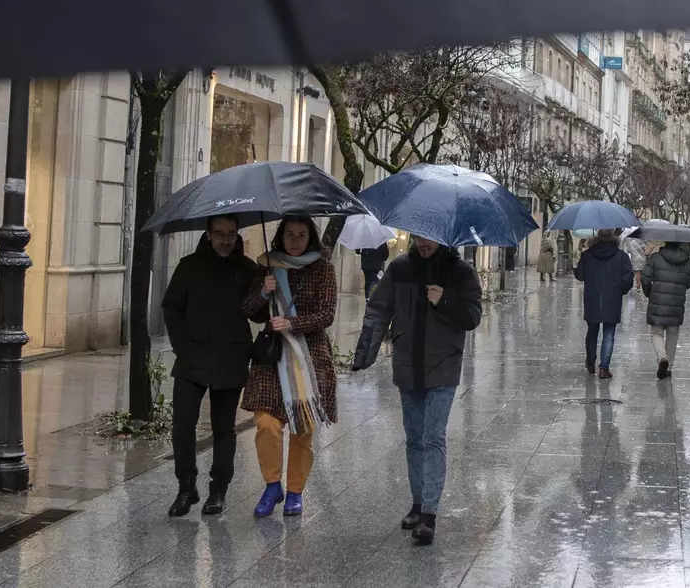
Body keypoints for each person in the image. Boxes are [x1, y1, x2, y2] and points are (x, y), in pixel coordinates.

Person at [352, 236, 483, 546]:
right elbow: (378, 310)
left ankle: (429, 515)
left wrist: (445, 300)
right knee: (413, 438)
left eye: (430, 239)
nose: (424, 244)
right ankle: (417, 503)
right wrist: (364, 355)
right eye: (420, 237)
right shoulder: (400, 268)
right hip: (408, 364)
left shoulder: (461, 272)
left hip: (443, 365)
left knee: (433, 437)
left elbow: (472, 317)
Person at [161, 213, 257, 517]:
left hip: (231, 358)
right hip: (193, 359)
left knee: (224, 428)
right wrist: (182, 347)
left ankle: (219, 491)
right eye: (219, 233)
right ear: (208, 234)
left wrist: (266, 291)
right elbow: (171, 307)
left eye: (231, 233)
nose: (225, 240)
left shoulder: (248, 269)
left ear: (237, 234)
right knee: (182, 425)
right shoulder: (189, 266)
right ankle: (186, 487)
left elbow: (258, 315)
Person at [242, 215, 338, 518]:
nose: (295, 241)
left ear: (310, 238)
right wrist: (263, 293)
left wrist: (293, 323)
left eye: (301, 235)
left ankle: (295, 491)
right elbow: (249, 310)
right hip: (272, 355)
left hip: (309, 356)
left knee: (303, 426)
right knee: (266, 423)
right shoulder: (267, 265)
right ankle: (273, 485)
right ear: (280, 237)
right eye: (290, 235)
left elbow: (327, 314)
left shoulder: (322, 268)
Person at [573, 229, 634, 379]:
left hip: (592, 298)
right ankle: (604, 368)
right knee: (609, 334)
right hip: (612, 299)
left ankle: (590, 361)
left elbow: (580, 275)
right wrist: (619, 290)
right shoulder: (621, 256)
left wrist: (576, 263)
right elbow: (628, 278)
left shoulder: (588, 255)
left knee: (592, 331)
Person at [642, 241, 690, 379]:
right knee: (673, 334)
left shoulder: (655, 258)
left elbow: (645, 279)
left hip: (658, 300)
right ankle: (669, 366)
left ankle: (662, 357)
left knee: (656, 332)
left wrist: (649, 293)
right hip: (677, 302)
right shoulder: (687, 260)